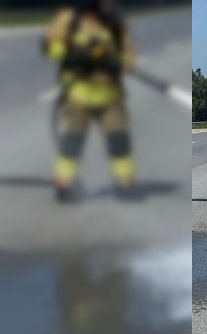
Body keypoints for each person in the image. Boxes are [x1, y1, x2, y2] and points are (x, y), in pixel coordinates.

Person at [43, 0, 138, 202]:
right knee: (73, 138)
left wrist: (116, 62)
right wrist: (78, 55)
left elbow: (128, 58)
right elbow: (52, 48)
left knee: (118, 138)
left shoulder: (114, 23)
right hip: (78, 92)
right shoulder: (69, 19)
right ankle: (64, 181)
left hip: (109, 94)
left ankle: (125, 180)